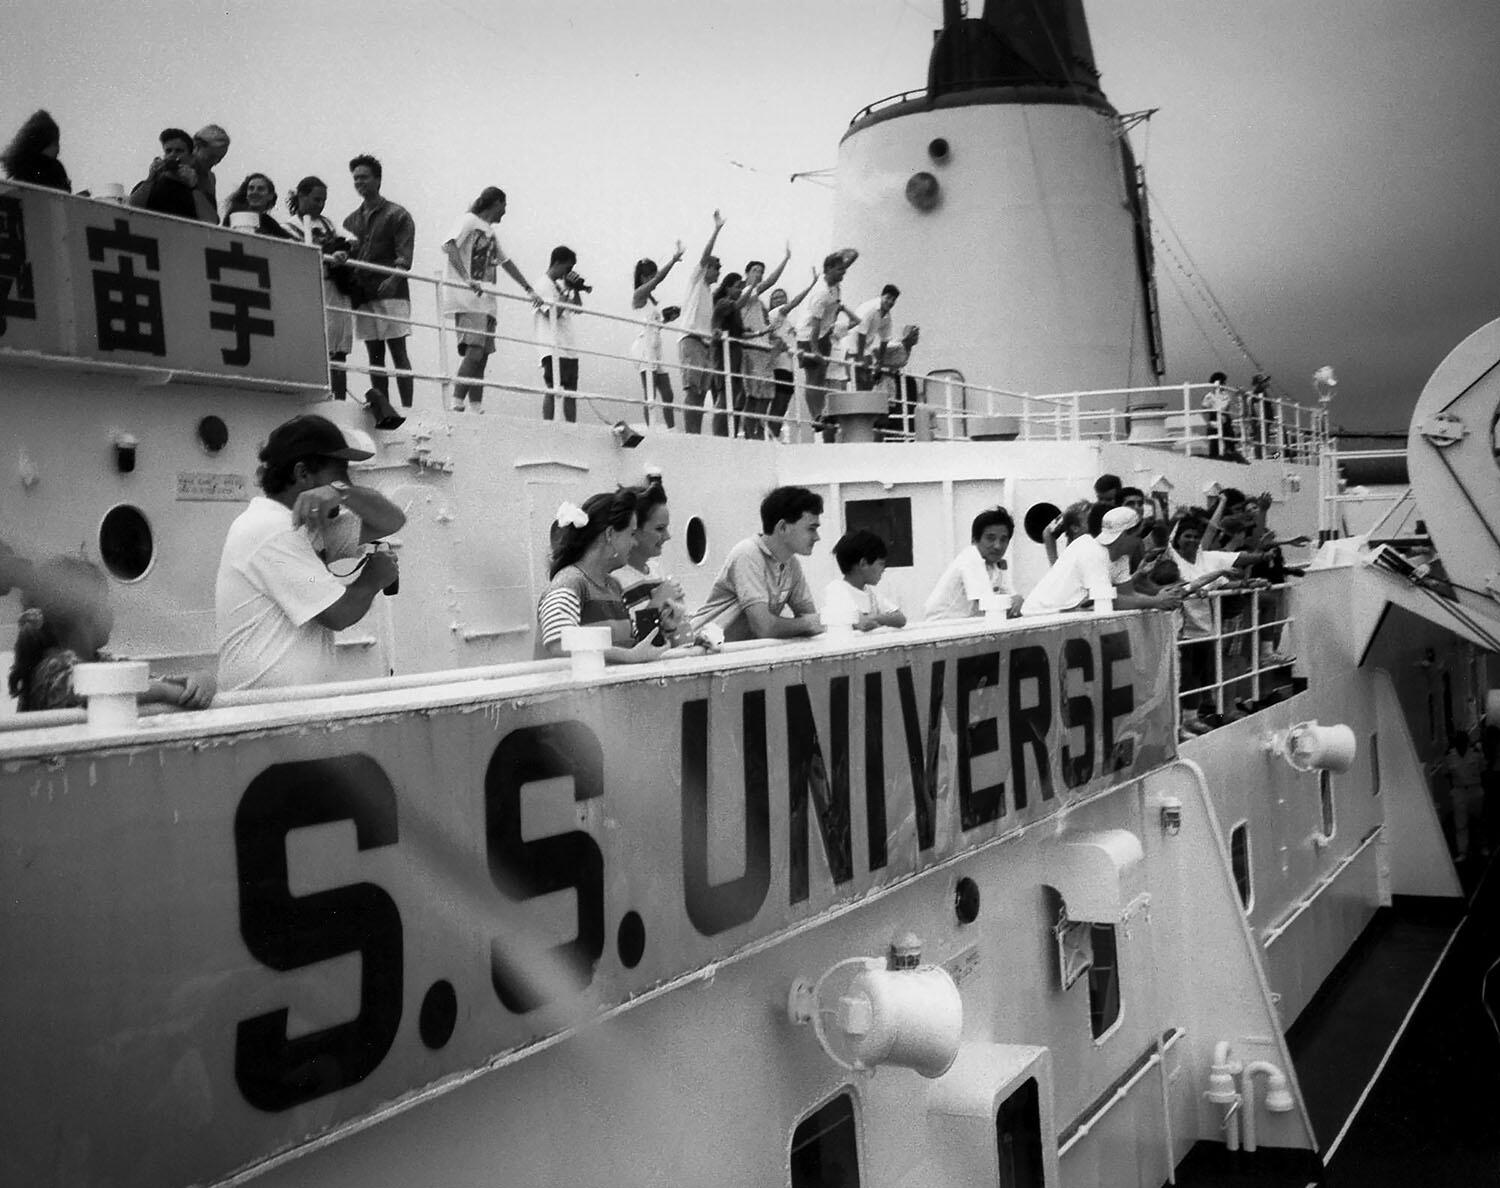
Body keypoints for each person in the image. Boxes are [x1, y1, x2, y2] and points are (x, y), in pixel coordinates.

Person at [215, 414, 404, 691]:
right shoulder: (273, 529)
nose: (344, 482)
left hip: (287, 711)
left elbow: (391, 520)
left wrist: (342, 492)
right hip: (264, 715)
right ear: (302, 473)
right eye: (337, 476)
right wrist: (375, 577)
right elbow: (338, 615)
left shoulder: (306, 527)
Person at [8, 556, 212, 712]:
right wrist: (164, 692)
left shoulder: (100, 662)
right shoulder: (50, 669)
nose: (111, 611)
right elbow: (95, 692)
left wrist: (198, 680)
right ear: (85, 615)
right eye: (105, 602)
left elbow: (140, 679)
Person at [440, 186, 543, 413]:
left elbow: (505, 262)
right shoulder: (469, 220)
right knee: (474, 351)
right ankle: (456, 401)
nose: (505, 212)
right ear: (496, 202)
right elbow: (449, 245)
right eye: (504, 206)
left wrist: (528, 289)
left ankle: (476, 405)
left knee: (483, 356)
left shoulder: (491, 233)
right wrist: (466, 279)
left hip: (487, 301)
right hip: (468, 298)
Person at [535, 489, 663, 664]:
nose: (635, 542)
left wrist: (666, 625)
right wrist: (627, 657)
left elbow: (633, 643)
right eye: (631, 534)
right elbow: (558, 642)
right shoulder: (570, 583)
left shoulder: (614, 587)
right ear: (610, 534)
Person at [691, 486, 825, 642]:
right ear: (782, 527)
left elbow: (812, 622)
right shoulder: (747, 554)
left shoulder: (792, 564)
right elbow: (764, 628)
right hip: (700, 652)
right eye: (811, 529)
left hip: (735, 653)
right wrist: (809, 623)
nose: (817, 537)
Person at [343, 154, 416, 429]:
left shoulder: (398, 214)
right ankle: (384, 407)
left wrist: (394, 278)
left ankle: (409, 406)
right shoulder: (352, 220)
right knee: (374, 355)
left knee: (398, 351)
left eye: (364, 177)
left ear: (377, 179)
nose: (359, 182)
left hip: (391, 291)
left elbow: (404, 254)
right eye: (356, 178)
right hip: (365, 291)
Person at [1021, 507, 1184, 616]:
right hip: (1039, 615)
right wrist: (1156, 601)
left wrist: (1167, 593)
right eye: (1139, 536)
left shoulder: (1121, 559)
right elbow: (1109, 600)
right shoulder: (1091, 549)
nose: (1141, 542)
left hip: (1064, 616)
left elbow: (1128, 594)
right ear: (1124, 534)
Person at [286, 175, 357, 399]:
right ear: (301, 196)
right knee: (318, 346)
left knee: (339, 349)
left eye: (323, 200)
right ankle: (316, 394)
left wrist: (344, 249)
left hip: (335, 289)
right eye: (316, 199)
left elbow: (350, 241)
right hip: (313, 289)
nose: (320, 205)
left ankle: (339, 398)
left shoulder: (328, 224)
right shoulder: (288, 227)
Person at [614, 475, 689, 647]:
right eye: (660, 529)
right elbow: (629, 645)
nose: (667, 536)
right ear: (634, 529)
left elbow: (677, 636)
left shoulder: (657, 572)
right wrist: (656, 603)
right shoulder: (615, 581)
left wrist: (680, 623)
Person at [797, 251, 854, 441]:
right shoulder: (820, 293)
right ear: (828, 269)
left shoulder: (836, 288)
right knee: (813, 377)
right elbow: (814, 322)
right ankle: (816, 415)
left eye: (844, 271)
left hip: (824, 334)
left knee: (821, 376)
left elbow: (830, 316)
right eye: (839, 270)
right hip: (808, 336)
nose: (842, 274)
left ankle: (821, 413)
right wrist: (814, 349)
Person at [923, 507, 1018, 620]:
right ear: (974, 540)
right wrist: (1014, 602)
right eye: (990, 538)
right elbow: (991, 608)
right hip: (941, 628)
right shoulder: (971, 557)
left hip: (965, 627)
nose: (998, 546)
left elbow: (1011, 598)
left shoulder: (995, 563)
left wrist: (1017, 600)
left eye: (1003, 540)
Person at [678, 211, 726, 435]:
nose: (718, 272)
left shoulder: (708, 293)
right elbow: (705, 256)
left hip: (705, 343)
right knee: (693, 389)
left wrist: (713, 333)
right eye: (717, 268)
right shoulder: (697, 280)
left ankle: (695, 433)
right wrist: (716, 230)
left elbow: (706, 321)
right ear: (708, 269)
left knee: (702, 391)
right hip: (691, 340)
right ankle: (691, 433)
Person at [736, 248, 790, 438]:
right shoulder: (747, 292)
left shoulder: (759, 303)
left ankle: (758, 432)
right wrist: (786, 259)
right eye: (755, 270)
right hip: (752, 350)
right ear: (747, 273)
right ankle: (751, 433)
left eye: (760, 271)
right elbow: (771, 282)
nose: (758, 274)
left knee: (764, 396)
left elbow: (766, 326)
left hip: (763, 349)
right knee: (754, 395)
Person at [630, 244, 685, 428]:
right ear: (644, 277)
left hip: (656, 346)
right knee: (650, 394)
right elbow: (658, 280)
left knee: (667, 393)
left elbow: (656, 323)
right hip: (644, 347)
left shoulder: (651, 301)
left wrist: (668, 318)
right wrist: (673, 260)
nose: (654, 278)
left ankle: (671, 428)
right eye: (651, 275)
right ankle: (651, 428)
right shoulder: (638, 294)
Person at [765, 273, 819, 439]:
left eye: (782, 297)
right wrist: (811, 285)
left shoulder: (788, 323)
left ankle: (773, 435)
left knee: (783, 406)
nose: (780, 300)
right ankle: (770, 436)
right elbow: (795, 302)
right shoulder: (774, 314)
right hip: (778, 366)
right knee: (778, 404)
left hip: (788, 367)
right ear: (772, 303)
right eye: (776, 298)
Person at [536, 245, 586, 422]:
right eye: (568, 267)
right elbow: (552, 314)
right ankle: (548, 426)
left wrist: (576, 290)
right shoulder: (542, 285)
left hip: (568, 345)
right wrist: (565, 293)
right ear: (558, 262)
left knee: (571, 391)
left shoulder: (560, 285)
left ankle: (571, 426)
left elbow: (578, 309)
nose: (569, 272)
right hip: (552, 344)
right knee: (552, 388)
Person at [826, 530, 906, 630]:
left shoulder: (870, 592)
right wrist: (881, 620)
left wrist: (876, 617)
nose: (883, 569)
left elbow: (900, 619)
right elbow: (862, 624)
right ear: (863, 564)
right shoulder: (837, 590)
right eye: (881, 563)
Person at [129, 127, 199, 219]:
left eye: (179, 151)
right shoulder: (149, 185)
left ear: (191, 158)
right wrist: (151, 178)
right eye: (168, 151)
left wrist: (193, 187)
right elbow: (131, 209)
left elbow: (208, 221)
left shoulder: (197, 189)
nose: (172, 155)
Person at [710, 271, 747, 438]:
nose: (740, 290)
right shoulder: (723, 302)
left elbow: (739, 333)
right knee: (725, 393)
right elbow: (737, 305)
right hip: (724, 354)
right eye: (738, 287)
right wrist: (752, 285)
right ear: (728, 287)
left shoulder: (733, 308)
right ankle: (719, 435)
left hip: (735, 353)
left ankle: (731, 433)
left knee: (737, 394)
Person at [845, 284, 900, 390]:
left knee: (869, 380)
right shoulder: (871, 309)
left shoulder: (887, 316)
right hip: (852, 346)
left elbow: (885, 339)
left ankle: (866, 401)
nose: (890, 302)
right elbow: (862, 333)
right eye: (888, 298)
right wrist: (860, 358)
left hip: (865, 348)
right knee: (858, 379)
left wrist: (880, 362)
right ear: (882, 296)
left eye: (893, 300)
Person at [1, 109, 70, 191]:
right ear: (42, 143)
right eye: (55, 143)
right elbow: (61, 198)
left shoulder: (20, 169)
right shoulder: (54, 168)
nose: (58, 149)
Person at [220, 173, 293, 238]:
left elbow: (290, 240)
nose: (254, 192)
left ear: (270, 196)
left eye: (260, 189)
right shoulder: (236, 215)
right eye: (251, 188)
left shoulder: (267, 221)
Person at [190, 123, 231, 223]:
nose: (215, 163)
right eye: (211, 157)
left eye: (219, 159)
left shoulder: (210, 178)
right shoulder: (171, 169)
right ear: (196, 147)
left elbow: (211, 221)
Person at [1202, 372, 1245, 461]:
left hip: (1225, 419)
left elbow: (1229, 403)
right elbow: (1205, 410)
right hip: (1214, 418)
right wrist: (1209, 422)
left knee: (1229, 439)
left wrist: (1239, 392)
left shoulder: (1226, 395)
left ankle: (1229, 454)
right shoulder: (1209, 396)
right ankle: (1215, 457)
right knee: (1214, 442)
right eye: (1223, 382)